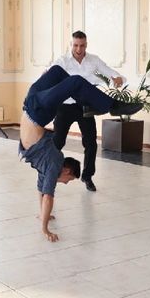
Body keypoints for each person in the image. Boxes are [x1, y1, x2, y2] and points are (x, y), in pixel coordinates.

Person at [20, 65, 142, 241]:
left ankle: (87, 105)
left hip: (32, 103)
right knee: (70, 79)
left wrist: (43, 216)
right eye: (69, 179)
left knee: (58, 72)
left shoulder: (48, 166)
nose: (66, 183)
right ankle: (112, 106)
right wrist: (45, 229)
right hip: (37, 110)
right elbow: (47, 197)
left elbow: (41, 188)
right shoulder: (54, 164)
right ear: (67, 171)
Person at [52, 30, 125, 192]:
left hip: (85, 106)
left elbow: (109, 71)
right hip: (65, 106)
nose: (79, 49)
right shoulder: (62, 61)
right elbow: (48, 75)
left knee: (91, 143)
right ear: (71, 44)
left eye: (82, 45)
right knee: (57, 142)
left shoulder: (93, 60)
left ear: (86, 44)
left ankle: (87, 176)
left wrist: (117, 77)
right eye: (76, 45)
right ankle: (51, 173)